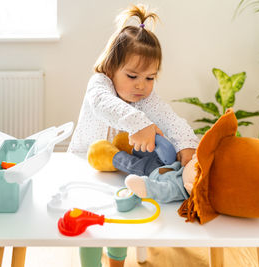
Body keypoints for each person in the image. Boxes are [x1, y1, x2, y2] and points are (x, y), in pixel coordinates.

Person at [67, 4, 200, 267]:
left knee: (123, 215)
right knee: (91, 221)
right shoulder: (100, 84)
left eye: (150, 78)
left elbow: (170, 119)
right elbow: (103, 104)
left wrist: (187, 145)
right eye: (132, 76)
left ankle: (118, 260)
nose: (141, 85)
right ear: (110, 68)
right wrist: (138, 123)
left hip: (124, 169)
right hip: (86, 165)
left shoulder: (146, 98)